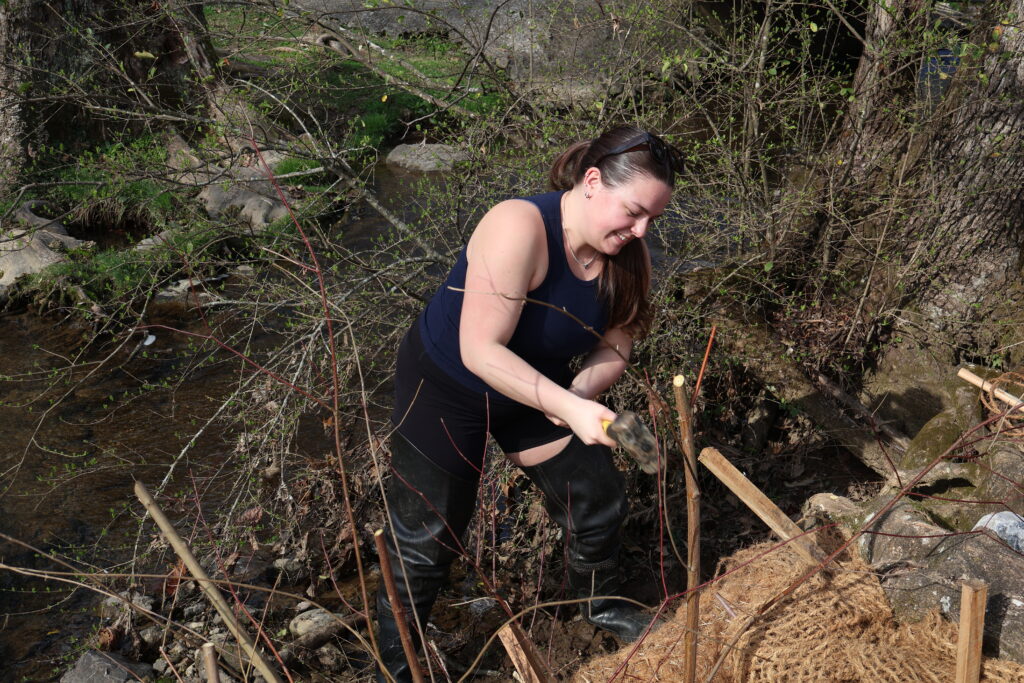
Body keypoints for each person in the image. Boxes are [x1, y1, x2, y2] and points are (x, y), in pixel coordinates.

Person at [376, 125, 682, 682]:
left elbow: (619, 340)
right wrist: (568, 406)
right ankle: (398, 671)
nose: (640, 231)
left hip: (536, 392)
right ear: (592, 181)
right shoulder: (518, 226)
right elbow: (480, 349)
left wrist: (582, 395)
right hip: (448, 389)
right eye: (634, 212)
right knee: (427, 539)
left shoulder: (628, 253)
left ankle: (597, 608)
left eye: (652, 220)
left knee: (597, 492)